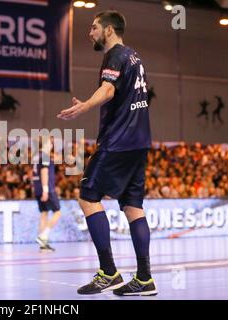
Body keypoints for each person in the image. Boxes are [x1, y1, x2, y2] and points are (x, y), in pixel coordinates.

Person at [58, 10, 157, 296]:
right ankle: (145, 278)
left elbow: (108, 90)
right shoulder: (134, 57)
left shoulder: (115, 55)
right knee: (133, 207)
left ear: (109, 30)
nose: (89, 32)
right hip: (139, 141)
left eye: (93, 27)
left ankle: (109, 271)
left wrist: (84, 106)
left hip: (119, 141)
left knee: (88, 197)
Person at [32, 141, 61, 252]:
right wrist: (45, 190)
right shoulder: (44, 156)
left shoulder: (36, 157)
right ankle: (43, 236)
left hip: (38, 188)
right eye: (50, 143)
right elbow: (44, 172)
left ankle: (43, 245)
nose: (52, 145)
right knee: (57, 212)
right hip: (46, 188)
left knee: (44, 214)